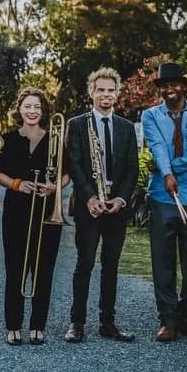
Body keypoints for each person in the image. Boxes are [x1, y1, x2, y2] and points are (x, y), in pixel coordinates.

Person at [141, 63, 187, 342]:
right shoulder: (150, 116)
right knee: (163, 263)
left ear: (184, 86)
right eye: (163, 85)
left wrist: (172, 168)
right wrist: (167, 174)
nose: (169, 89)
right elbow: (157, 146)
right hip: (162, 198)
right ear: (159, 89)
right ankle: (168, 321)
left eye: (174, 84)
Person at [64, 67, 139, 343]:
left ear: (116, 94)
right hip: (89, 206)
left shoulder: (126, 128)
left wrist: (120, 199)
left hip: (116, 208)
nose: (105, 95)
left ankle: (108, 322)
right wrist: (89, 198)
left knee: (111, 265)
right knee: (84, 264)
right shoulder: (77, 124)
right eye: (101, 90)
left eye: (110, 90)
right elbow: (74, 164)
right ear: (92, 92)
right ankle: (77, 323)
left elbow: (132, 168)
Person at [0, 88, 69, 346]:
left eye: (37, 107)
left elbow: (66, 173)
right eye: (27, 106)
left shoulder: (55, 139)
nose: (32, 111)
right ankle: (13, 326)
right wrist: (17, 184)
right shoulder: (8, 139)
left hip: (47, 211)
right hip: (16, 211)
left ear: (43, 110)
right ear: (20, 109)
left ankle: (38, 326)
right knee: (15, 269)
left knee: (43, 270)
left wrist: (55, 186)